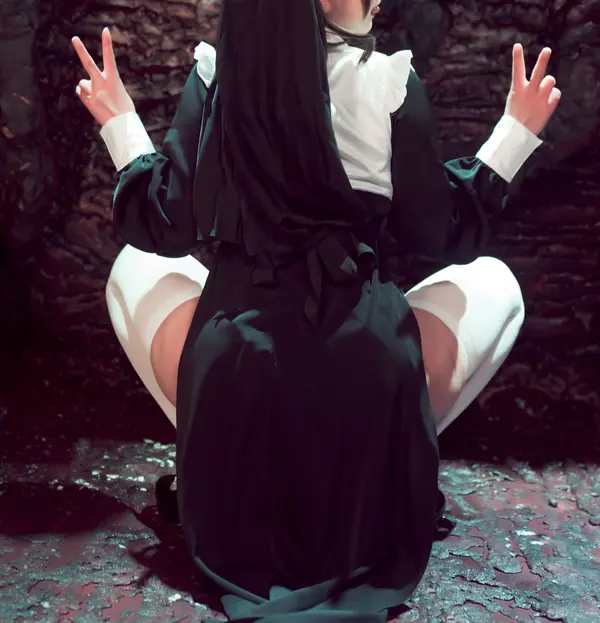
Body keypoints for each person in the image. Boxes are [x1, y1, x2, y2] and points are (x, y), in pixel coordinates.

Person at [72, 1, 561, 620]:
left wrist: (121, 123)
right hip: (361, 376)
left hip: (239, 374)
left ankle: (223, 463)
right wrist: (514, 133)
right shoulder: (387, 83)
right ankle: (378, 470)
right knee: (492, 282)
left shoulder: (219, 76)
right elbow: (447, 233)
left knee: (136, 267)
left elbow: (163, 223)